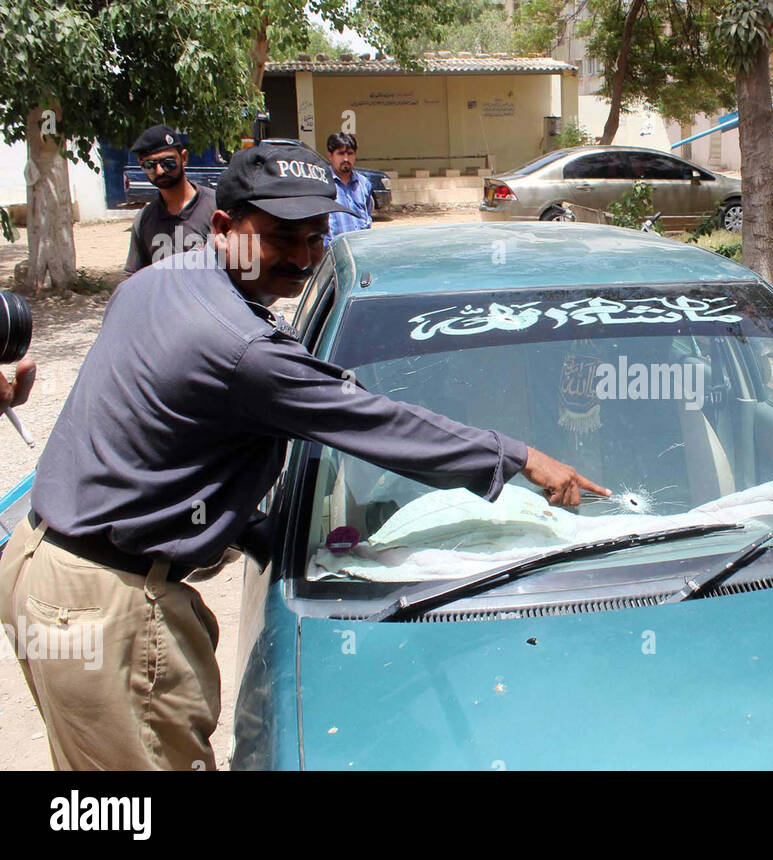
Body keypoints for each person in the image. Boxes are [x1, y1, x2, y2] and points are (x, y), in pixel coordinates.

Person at [0, 143, 606, 770]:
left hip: (42, 566)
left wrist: (256, 529)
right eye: (281, 238)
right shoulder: (244, 348)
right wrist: (520, 456)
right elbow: (377, 423)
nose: (302, 257)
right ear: (223, 227)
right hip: (106, 604)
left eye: (317, 237)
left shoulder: (154, 283)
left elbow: (164, 441)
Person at [123, 124, 217, 274]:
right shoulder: (144, 220)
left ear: (184, 158)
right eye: (149, 165)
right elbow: (136, 279)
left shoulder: (217, 207)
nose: (159, 171)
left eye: (168, 163)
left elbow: (245, 270)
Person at [324, 132, 372, 246]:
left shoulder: (363, 184)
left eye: (350, 153)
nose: (346, 158)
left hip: (360, 250)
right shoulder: (322, 184)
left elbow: (367, 215)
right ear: (330, 156)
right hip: (333, 254)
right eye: (341, 153)